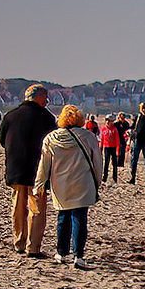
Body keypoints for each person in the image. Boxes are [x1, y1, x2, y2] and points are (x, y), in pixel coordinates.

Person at [35, 104, 103, 269]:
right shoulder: (88, 137)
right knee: (79, 217)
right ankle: (78, 255)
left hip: (60, 183)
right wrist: (97, 182)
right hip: (83, 182)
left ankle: (61, 252)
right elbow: (97, 163)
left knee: (62, 217)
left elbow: (44, 165)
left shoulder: (51, 138)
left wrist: (39, 184)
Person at [0, 84, 56, 258]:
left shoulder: (10, 116)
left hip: (16, 168)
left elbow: (2, 140)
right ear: (36, 97)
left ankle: (19, 242)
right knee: (35, 209)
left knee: (18, 207)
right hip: (37, 171)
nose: (47, 101)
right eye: (45, 97)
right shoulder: (46, 118)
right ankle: (33, 246)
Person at [127, 103, 145, 185]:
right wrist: (130, 131)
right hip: (137, 140)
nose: (144, 110)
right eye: (142, 108)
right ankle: (132, 178)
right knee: (134, 160)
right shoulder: (138, 117)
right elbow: (133, 127)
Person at [99, 115, 121, 183]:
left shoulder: (114, 130)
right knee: (106, 163)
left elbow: (117, 140)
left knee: (114, 164)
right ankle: (105, 177)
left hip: (113, 147)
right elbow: (102, 139)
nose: (108, 122)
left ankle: (115, 178)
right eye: (107, 120)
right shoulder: (103, 129)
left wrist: (118, 149)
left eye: (110, 121)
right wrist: (101, 148)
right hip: (106, 147)